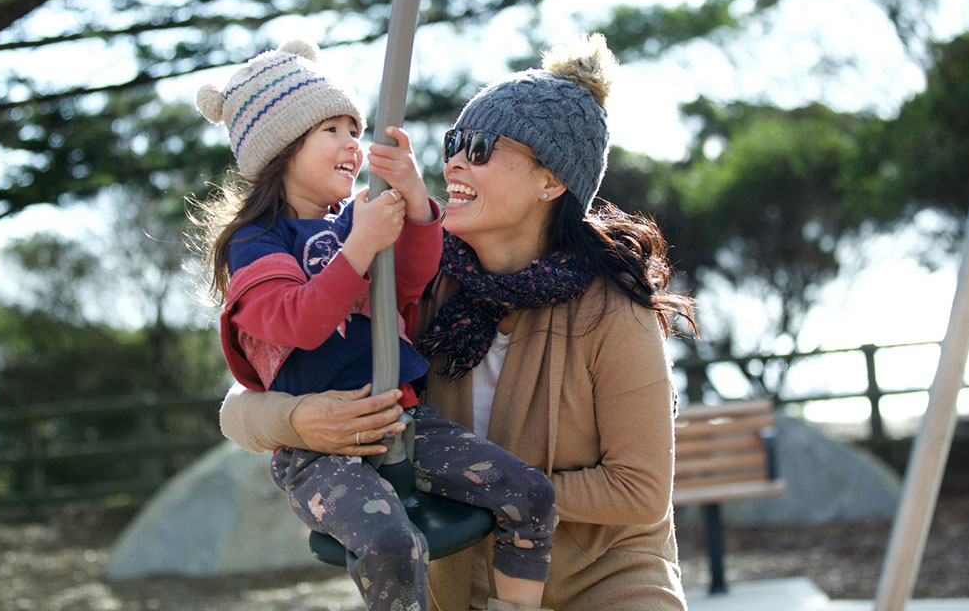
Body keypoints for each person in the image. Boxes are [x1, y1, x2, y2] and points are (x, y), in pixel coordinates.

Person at [220, 33, 699, 611]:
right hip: (459, 587)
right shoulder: (419, 281)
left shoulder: (612, 312)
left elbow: (640, 491)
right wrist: (297, 419)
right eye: (454, 142)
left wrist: (489, 487)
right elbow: (239, 409)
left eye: (481, 147)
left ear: (552, 182)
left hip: (603, 584)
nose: (453, 161)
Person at [193, 40, 556, 611]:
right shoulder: (257, 243)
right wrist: (359, 245)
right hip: (319, 452)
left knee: (528, 493)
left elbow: (409, 283)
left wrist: (413, 203)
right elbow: (298, 322)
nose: (351, 144)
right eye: (330, 130)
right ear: (280, 149)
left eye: (353, 128)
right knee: (391, 542)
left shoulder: (357, 220)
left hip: (403, 421)